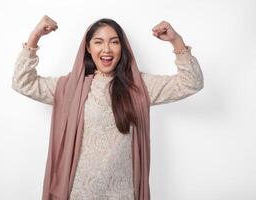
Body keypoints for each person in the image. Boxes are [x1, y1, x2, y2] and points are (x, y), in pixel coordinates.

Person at [12, 15, 204, 200]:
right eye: (98, 42)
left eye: (114, 42)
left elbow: (191, 83)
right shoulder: (70, 88)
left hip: (123, 194)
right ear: (88, 47)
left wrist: (176, 41)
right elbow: (22, 82)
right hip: (79, 194)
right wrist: (34, 37)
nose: (107, 49)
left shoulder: (139, 87)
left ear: (123, 47)